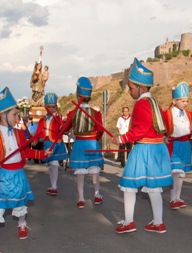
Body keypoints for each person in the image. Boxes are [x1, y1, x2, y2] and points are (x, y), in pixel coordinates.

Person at [0, 87, 51, 253]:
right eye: (15, 114)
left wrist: (42, 153)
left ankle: (22, 224)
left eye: (17, 114)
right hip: (0, 176)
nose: (18, 117)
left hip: (17, 174)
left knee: (21, 203)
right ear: (3, 115)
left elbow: (25, 152)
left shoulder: (19, 134)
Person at [113, 58, 172, 234]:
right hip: (157, 148)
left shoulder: (140, 103)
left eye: (131, 88)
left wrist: (123, 138)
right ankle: (158, 223)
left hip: (143, 149)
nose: (130, 92)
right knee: (154, 187)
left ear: (140, 87)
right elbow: (162, 126)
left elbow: (141, 129)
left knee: (129, 185)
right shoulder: (154, 102)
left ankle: (129, 222)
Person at [61, 77, 105, 208]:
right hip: (92, 143)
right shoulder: (96, 113)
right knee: (95, 171)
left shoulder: (73, 113)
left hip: (79, 144)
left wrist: (62, 129)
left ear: (78, 95)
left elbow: (65, 128)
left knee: (80, 172)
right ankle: (97, 195)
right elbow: (101, 130)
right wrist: (95, 138)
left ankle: (81, 198)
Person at [163, 82, 192, 209]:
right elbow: (161, 128)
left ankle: (178, 197)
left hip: (185, 145)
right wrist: (163, 137)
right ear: (174, 101)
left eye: (187, 101)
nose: (185, 103)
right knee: (175, 172)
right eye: (183, 101)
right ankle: (172, 198)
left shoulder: (188, 114)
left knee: (181, 174)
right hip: (174, 145)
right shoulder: (168, 114)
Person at [34, 93, 69, 196]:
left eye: (53, 107)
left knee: (54, 164)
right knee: (50, 166)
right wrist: (35, 139)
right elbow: (38, 133)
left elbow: (64, 129)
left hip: (56, 144)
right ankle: (53, 184)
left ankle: (54, 186)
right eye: (49, 107)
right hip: (47, 144)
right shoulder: (42, 120)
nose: (51, 109)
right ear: (46, 107)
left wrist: (62, 129)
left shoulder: (58, 119)